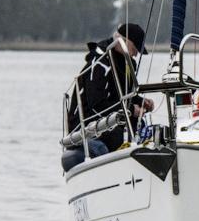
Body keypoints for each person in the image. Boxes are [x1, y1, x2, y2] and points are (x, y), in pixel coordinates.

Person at [62, 22, 153, 171]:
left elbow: (123, 95)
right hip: (87, 132)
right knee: (105, 149)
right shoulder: (100, 63)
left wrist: (142, 102)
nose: (136, 54)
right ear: (124, 41)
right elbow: (97, 105)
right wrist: (131, 109)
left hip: (113, 130)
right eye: (135, 48)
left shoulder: (126, 64)